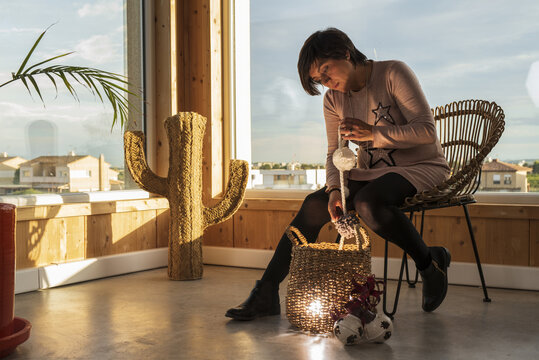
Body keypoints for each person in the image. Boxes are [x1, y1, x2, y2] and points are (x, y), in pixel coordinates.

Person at [225, 27, 451, 321]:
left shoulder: (393, 73)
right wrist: (333, 190)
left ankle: (428, 263)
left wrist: (373, 134)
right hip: (372, 174)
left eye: (326, 71)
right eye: (319, 80)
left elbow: (426, 132)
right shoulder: (333, 100)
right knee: (314, 204)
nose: (327, 83)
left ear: (345, 52)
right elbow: (334, 152)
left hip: (422, 167)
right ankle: (266, 293)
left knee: (369, 203)